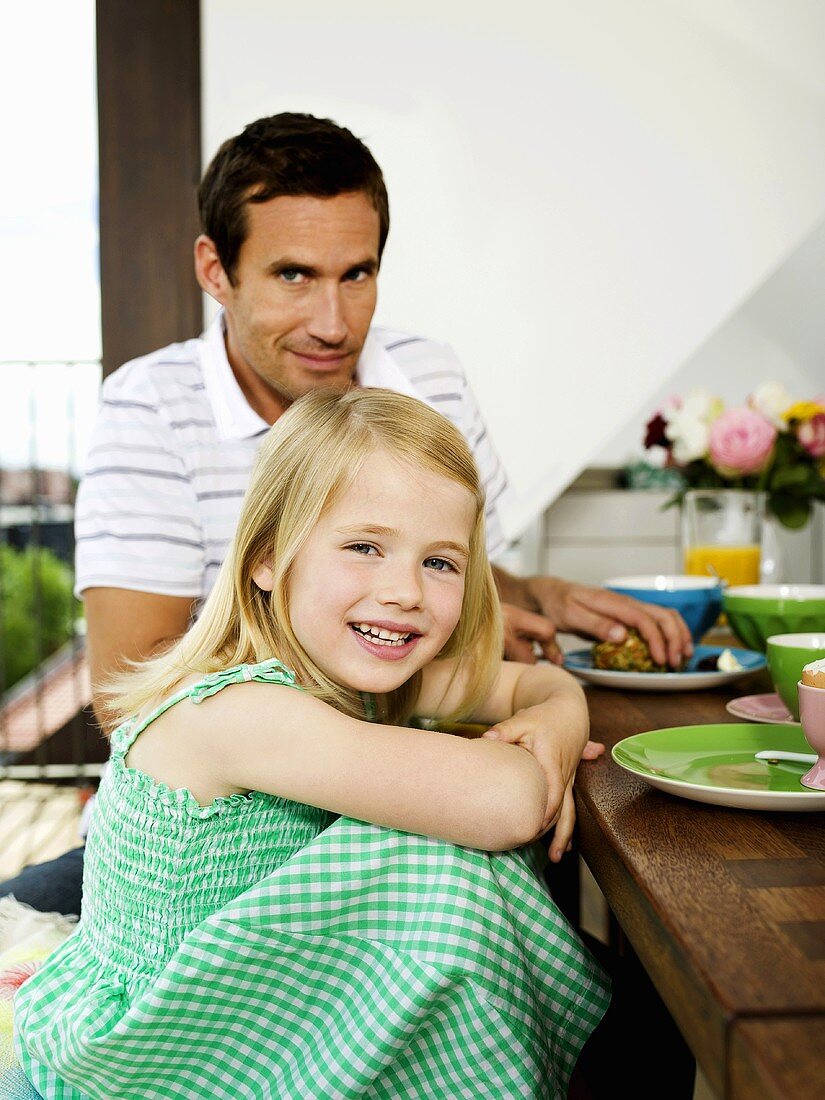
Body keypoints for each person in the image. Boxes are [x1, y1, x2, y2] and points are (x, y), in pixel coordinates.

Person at [0, 110, 690, 915]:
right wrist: (361, 732)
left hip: (395, 752)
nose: (333, 324)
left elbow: (452, 566)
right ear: (215, 271)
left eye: (355, 275)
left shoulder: (426, 372)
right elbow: (129, 689)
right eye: (293, 275)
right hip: (234, 806)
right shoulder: (151, 405)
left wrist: (531, 590)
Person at [14, 389, 610, 1099]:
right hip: (157, 1052)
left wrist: (556, 724)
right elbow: (506, 803)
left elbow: (535, 685)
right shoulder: (240, 713)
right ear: (269, 559)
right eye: (364, 547)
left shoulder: (350, 678)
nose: (404, 592)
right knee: (440, 866)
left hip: (251, 1007)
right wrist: (538, 753)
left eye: (440, 562)